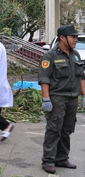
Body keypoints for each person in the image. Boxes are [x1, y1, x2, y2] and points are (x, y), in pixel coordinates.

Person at [38, 25, 85, 174]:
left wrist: (84, 95)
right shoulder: (50, 56)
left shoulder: (76, 55)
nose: (76, 40)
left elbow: (82, 77)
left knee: (66, 130)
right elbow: (44, 78)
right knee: (54, 130)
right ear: (63, 38)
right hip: (57, 99)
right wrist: (46, 99)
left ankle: (62, 158)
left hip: (72, 99)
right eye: (73, 37)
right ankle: (48, 161)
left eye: (76, 37)